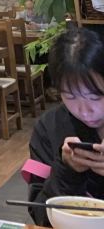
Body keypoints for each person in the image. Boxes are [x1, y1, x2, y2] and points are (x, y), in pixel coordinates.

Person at [26, 27, 104, 226]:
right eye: (70, 96)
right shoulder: (47, 129)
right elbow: (39, 214)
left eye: (95, 96)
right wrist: (67, 170)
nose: (85, 111)